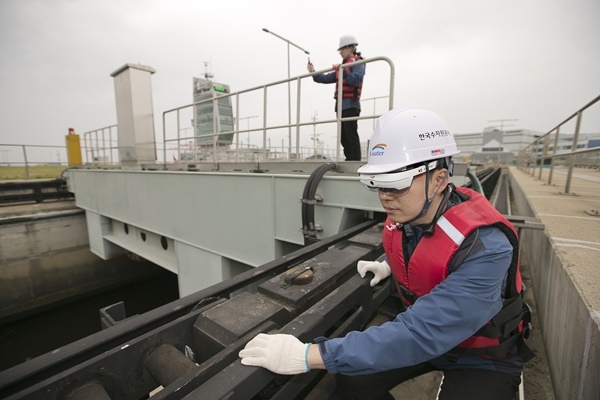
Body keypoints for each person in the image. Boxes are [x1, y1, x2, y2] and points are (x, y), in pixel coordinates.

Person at [239, 108, 534, 399]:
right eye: (377, 184)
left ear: (439, 179)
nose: (385, 198)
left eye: (395, 184)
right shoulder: (407, 216)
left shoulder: (486, 246)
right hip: (428, 337)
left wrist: (309, 354)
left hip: (481, 354)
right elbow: (430, 252)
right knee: (354, 382)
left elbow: (423, 332)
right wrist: (388, 264)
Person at [307, 34, 365, 161]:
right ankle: (349, 159)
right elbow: (325, 78)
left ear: (350, 48)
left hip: (351, 105)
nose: (340, 53)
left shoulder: (359, 63)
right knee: (343, 137)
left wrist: (342, 71)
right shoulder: (342, 67)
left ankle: (354, 161)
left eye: (342, 50)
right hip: (340, 107)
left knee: (351, 135)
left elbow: (356, 80)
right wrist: (313, 72)